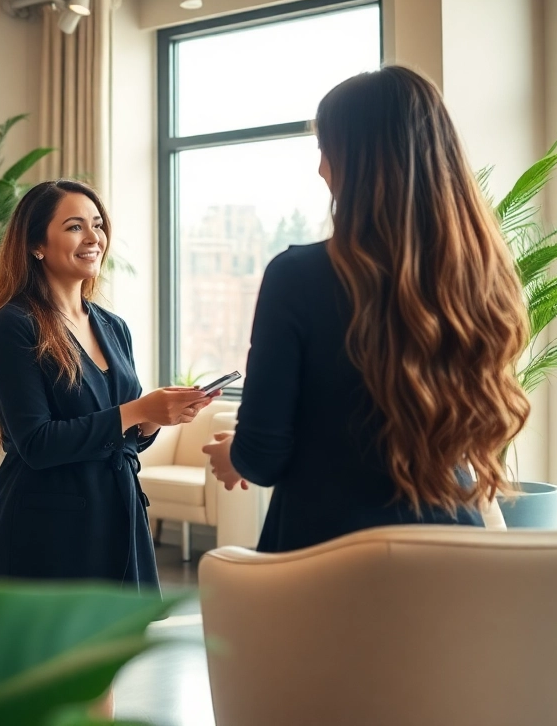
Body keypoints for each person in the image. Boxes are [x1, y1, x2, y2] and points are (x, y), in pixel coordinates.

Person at [203, 66, 530, 552]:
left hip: (326, 555)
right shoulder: (483, 278)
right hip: (453, 551)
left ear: (359, 160)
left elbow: (263, 454)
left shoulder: (296, 276)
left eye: (326, 149)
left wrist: (235, 456)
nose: (320, 168)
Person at [0, 179, 216, 592]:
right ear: (36, 245)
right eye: (74, 226)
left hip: (118, 516)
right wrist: (139, 410)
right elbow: (37, 443)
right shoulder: (13, 325)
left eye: (97, 225)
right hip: (48, 531)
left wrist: (154, 420)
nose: (93, 238)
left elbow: (123, 438)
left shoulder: (113, 327)